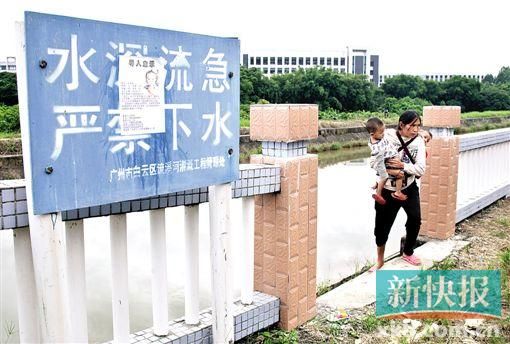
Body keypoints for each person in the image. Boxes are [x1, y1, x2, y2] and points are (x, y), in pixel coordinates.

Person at [369, 110, 426, 272]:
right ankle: (380, 260)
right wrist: (387, 169)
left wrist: (402, 166)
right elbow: (372, 160)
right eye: (412, 125)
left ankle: (408, 252)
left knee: (415, 220)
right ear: (401, 124)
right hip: (387, 188)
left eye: (418, 126)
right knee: (381, 227)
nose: (415, 129)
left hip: (408, 187)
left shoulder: (419, 141)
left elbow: (421, 169)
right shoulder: (386, 136)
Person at [366, 117, 407, 205]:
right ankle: (395, 192)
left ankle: (377, 186)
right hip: (386, 160)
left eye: (383, 131)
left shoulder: (375, 138)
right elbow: (378, 160)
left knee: (382, 175)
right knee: (398, 175)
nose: (383, 134)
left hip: (386, 159)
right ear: (372, 133)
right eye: (381, 132)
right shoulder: (377, 146)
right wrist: (385, 168)